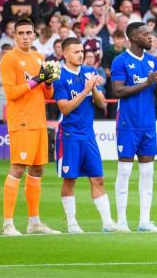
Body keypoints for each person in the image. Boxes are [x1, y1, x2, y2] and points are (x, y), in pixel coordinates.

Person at [0, 18, 59, 236]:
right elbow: (11, 94)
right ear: (14, 35)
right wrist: (36, 79)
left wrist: (49, 81)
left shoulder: (38, 57)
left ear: (34, 35)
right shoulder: (9, 59)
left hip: (38, 121)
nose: (25, 37)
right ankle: (8, 224)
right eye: (21, 33)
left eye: (29, 33)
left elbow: (48, 95)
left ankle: (34, 222)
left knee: (37, 169)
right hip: (21, 121)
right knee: (17, 168)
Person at [111, 22, 157, 232]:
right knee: (125, 172)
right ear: (134, 38)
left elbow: (156, 94)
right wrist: (146, 83)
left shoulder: (153, 61)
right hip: (128, 123)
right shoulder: (121, 61)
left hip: (147, 124)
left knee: (148, 172)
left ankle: (144, 221)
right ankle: (121, 221)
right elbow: (117, 91)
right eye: (145, 34)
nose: (150, 37)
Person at [53, 38, 118, 234]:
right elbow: (64, 107)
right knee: (69, 180)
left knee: (98, 178)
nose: (80, 54)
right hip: (69, 135)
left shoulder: (89, 72)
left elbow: (102, 104)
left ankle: (108, 222)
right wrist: (85, 90)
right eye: (76, 52)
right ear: (65, 54)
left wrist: (95, 89)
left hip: (88, 135)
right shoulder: (60, 77)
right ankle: (72, 223)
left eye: (82, 51)